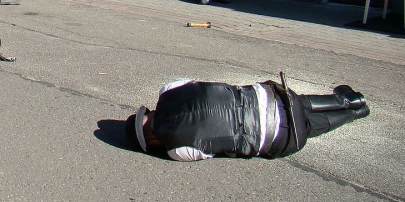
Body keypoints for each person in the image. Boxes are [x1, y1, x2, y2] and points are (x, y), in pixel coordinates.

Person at [126, 78, 369, 161]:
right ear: (147, 114)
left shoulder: (176, 151)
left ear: (153, 143)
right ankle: (348, 100)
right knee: (298, 103)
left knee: (302, 127)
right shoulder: (169, 89)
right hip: (271, 98)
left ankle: (354, 113)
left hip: (276, 138)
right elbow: (197, 85)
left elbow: (207, 152)